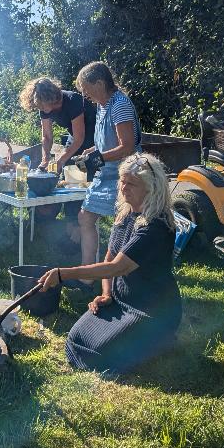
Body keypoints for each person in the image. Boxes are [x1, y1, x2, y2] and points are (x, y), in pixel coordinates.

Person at [37, 153, 182, 375]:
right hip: (120, 301)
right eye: (122, 181)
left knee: (97, 355)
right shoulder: (125, 215)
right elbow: (108, 257)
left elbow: (117, 267)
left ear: (151, 188)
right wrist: (106, 294)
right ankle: (142, 341)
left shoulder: (156, 226)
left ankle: (161, 338)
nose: (124, 188)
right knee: (76, 339)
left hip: (151, 309)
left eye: (131, 184)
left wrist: (63, 274)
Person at [73, 61, 142, 285]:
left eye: (86, 88)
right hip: (106, 173)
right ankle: (88, 276)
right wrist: (92, 151)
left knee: (121, 226)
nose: (84, 94)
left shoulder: (120, 104)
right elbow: (106, 143)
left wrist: (99, 158)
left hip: (123, 175)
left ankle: (119, 279)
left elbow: (127, 146)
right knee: (85, 218)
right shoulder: (102, 105)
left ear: (100, 83)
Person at [18, 76, 96, 172]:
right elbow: (47, 136)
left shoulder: (72, 100)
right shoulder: (43, 107)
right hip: (74, 136)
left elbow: (79, 138)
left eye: (43, 107)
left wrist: (59, 161)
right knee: (67, 170)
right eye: (40, 107)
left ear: (51, 98)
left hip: (94, 136)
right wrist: (45, 158)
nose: (42, 110)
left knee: (87, 170)